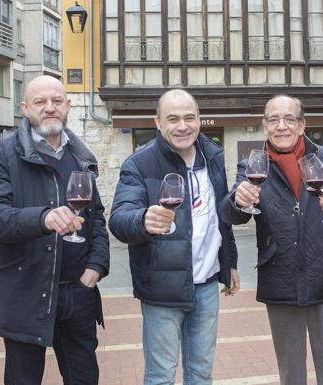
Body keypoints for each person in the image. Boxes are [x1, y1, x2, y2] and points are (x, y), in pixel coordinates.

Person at [0, 75, 110, 384]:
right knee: (23, 379)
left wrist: (96, 267)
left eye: (57, 101)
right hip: (25, 292)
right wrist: (43, 218)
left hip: (78, 293)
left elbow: (96, 219)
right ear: (25, 108)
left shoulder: (81, 158)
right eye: (40, 102)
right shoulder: (2, 156)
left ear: (68, 106)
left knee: (85, 378)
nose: (50, 108)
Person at [108, 89, 239, 385]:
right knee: (161, 376)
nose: (183, 126)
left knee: (201, 374)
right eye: (173, 119)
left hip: (206, 287)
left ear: (199, 120)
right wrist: (142, 219)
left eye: (189, 118)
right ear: (158, 122)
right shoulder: (139, 164)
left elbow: (220, 219)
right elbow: (118, 220)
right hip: (161, 290)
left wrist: (229, 262)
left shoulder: (213, 157)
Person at [219, 95, 323, 385]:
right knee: (291, 372)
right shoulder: (252, 164)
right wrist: (238, 200)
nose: (281, 126)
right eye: (273, 119)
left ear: (302, 125)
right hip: (279, 277)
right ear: (264, 125)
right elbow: (231, 213)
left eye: (289, 119)